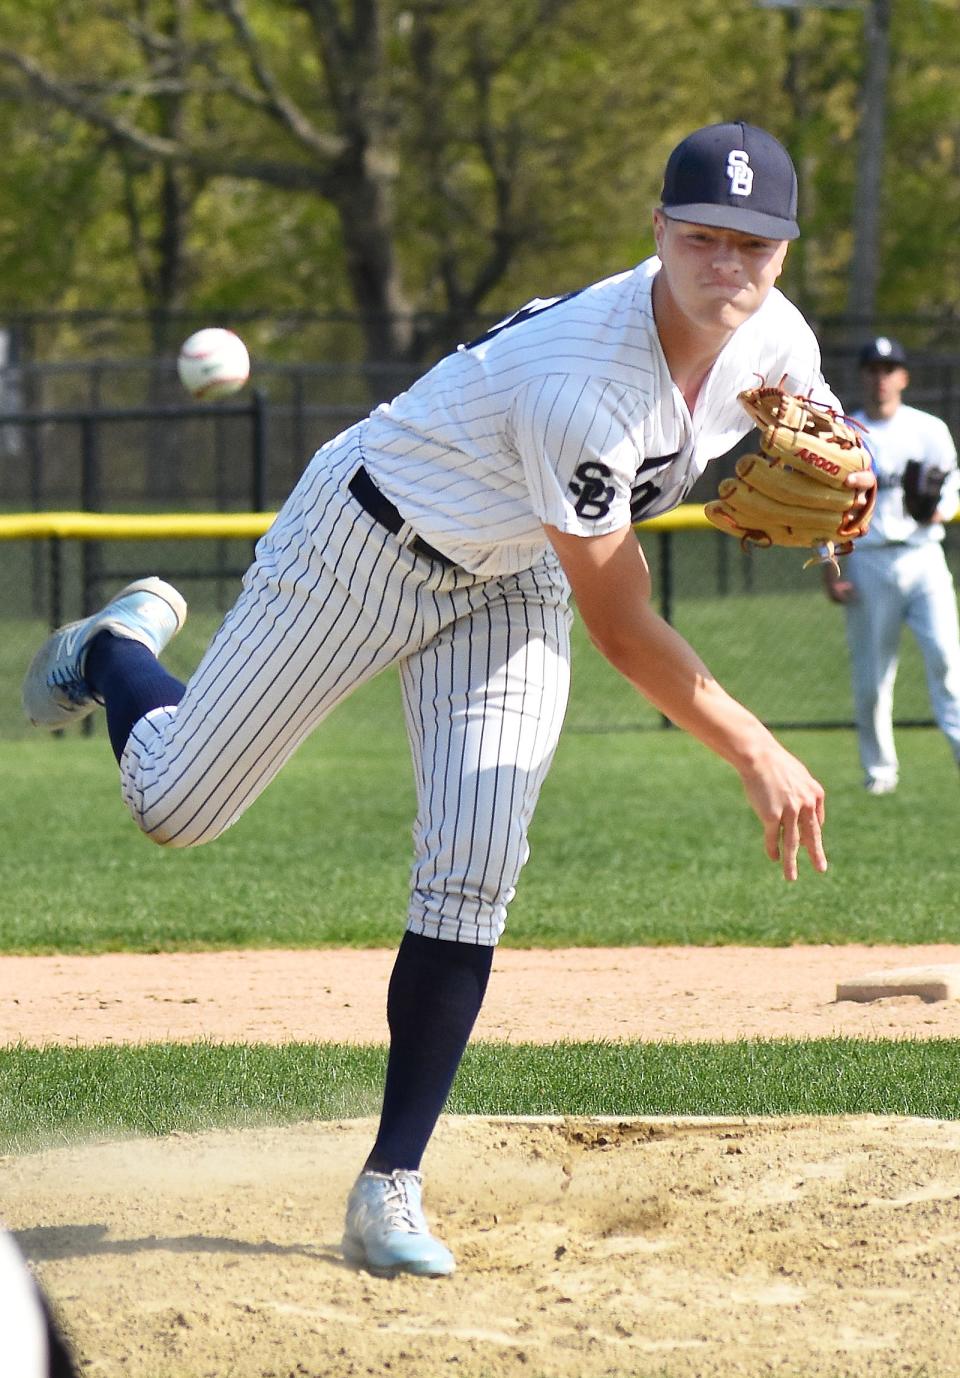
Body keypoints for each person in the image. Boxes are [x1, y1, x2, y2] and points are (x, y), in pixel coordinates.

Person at [22, 121, 875, 1279]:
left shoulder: (777, 337)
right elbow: (625, 628)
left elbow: (822, 448)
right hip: (366, 539)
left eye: (757, 243)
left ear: (786, 250)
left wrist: (840, 513)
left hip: (510, 575)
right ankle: (120, 644)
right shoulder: (588, 384)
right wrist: (755, 747)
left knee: (475, 859)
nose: (731, 265)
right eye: (706, 237)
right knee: (175, 804)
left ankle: (389, 1184)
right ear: (659, 232)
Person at [823, 336, 960, 795]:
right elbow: (829, 506)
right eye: (872, 369)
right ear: (862, 376)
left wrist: (940, 508)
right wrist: (831, 566)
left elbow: (951, 484)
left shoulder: (929, 429)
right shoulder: (846, 434)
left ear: (903, 377)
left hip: (924, 556)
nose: (880, 378)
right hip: (868, 561)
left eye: (889, 369)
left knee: (947, 662)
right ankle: (880, 773)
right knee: (872, 677)